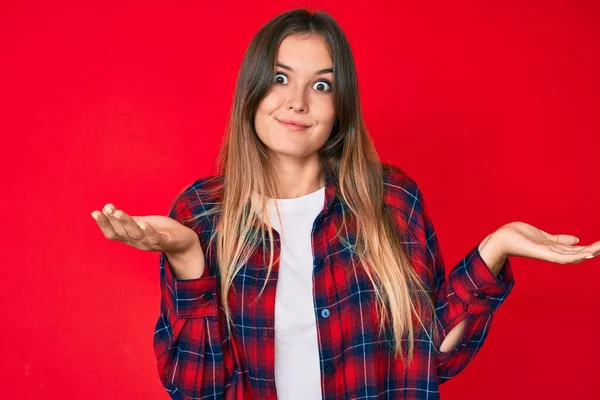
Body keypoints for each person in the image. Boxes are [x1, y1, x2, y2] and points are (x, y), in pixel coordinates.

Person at [90, 8, 598, 400]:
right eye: (281, 78)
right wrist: (187, 260)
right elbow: (195, 387)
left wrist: (496, 247)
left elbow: (431, 358)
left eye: (322, 85)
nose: (297, 102)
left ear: (341, 107)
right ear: (252, 90)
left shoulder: (392, 200)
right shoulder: (200, 213)